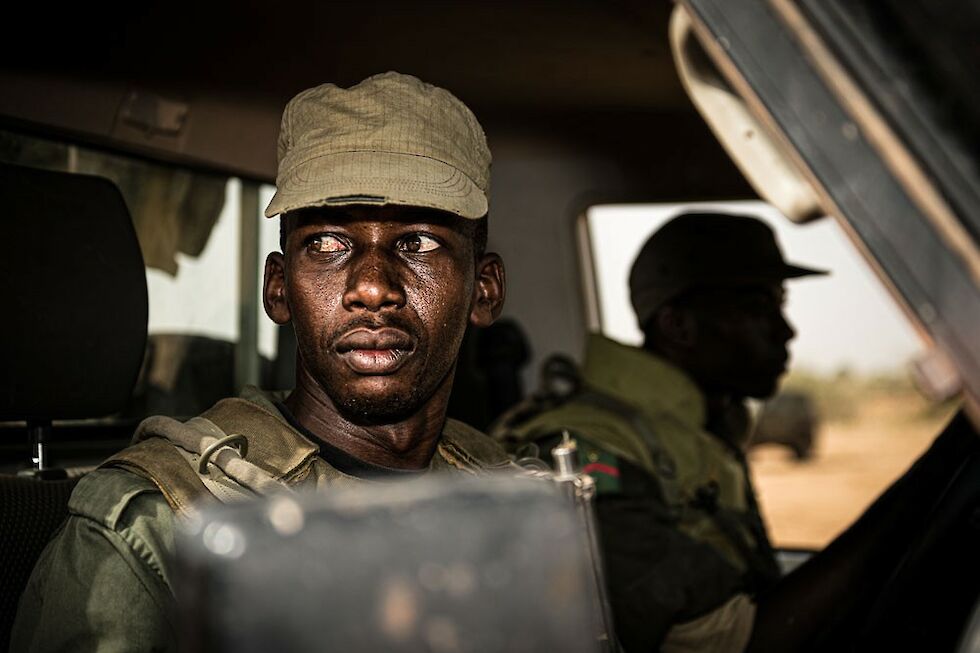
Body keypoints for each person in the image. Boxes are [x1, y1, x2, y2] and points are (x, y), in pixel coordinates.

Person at [12, 72, 511, 652]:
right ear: (279, 289)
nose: (373, 288)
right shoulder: (161, 527)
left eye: (419, 242)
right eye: (327, 243)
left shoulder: (504, 489)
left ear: (485, 290)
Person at [498, 212, 980, 651]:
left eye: (779, 305)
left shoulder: (693, 429)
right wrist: (941, 464)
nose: (785, 330)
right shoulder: (591, 449)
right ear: (679, 325)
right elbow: (739, 643)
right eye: (758, 306)